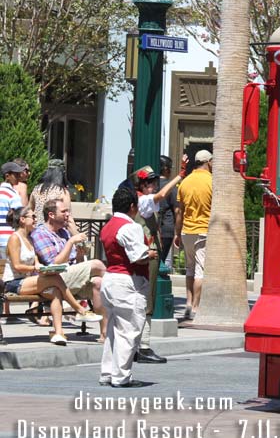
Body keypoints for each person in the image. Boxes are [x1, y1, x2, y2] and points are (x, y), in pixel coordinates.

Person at [99, 187, 158, 388]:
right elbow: (138, 257)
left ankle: (108, 372)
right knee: (129, 329)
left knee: (113, 330)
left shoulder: (107, 226)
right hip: (127, 282)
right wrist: (150, 254)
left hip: (110, 279)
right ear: (132, 206)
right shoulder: (130, 227)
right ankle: (121, 376)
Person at [132, 160, 186, 364]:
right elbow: (162, 196)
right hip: (148, 255)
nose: (155, 186)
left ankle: (138, 346)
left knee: (144, 300)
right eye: (151, 183)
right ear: (142, 186)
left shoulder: (141, 200)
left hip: (144, 253)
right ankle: (143, 347)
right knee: (147, 300)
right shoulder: (143, 201)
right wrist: (179, 177)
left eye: (155, 182)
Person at [31, 197, 107, 338]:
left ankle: (104, 334)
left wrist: (74, 233)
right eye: (64, 211)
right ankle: (118, 291)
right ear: (51, 215)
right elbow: (53, 263)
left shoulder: (64, 232)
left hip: (69, 278)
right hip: (52, 278)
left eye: (68, 211)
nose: (68, 214)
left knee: (99, 282)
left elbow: (78, 259)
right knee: (97, 264)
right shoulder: (39, 234)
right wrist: (71, 242)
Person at [1, 207, 76, 344]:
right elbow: (17, 266)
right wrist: (35, 268)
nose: (36, 219)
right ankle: (79, 308)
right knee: (55, 278)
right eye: (33, 217)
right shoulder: (14, 238)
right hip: (12, 283)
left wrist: (43, 268)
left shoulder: (30, 238)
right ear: (23, 220)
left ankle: (58, 333)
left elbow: (36, 262)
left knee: (55, 291)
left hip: (28, 281)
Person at [175, 150, 212, 320]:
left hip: (186, 231)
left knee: (190, 268)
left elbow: (179, 212)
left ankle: (188, 303)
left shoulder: (185, 182)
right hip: (203, 230)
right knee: (200, 269)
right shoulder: (212, 181)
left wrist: (177, 233)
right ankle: (196, 307)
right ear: (208, 162)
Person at [0, 161, 25, 320]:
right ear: (7, 175)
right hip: (8, 237)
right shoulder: (12, 194)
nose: (18, 177)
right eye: (15, 174)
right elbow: (18, 216)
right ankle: (6, 310)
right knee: (9, 273)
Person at [156, 156, 179, 268]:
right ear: (166, 169)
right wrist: (177, 232)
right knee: (161, 261)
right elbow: (177, 211)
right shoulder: (172, 187)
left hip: (154, 229)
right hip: (166, 230)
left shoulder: (151, 185)